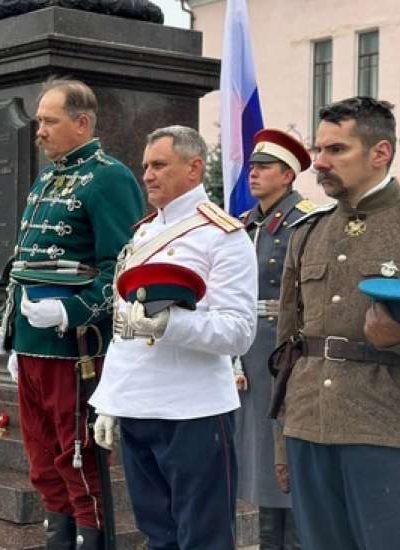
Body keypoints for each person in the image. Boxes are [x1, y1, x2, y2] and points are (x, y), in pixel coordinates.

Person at [275, 97, 400, 550]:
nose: (319, 162)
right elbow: (288, 347)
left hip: (388, 424)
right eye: (318, 150)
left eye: (336, 150)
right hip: (307, 424)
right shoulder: (309, 231)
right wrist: (283, 438)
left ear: (379, 153)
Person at [0, 78, 144, 548]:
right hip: (33, 349)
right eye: (39, 120)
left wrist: (69, 310)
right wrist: (13, 333)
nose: (39, 130)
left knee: (77, 461)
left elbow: (122, 268)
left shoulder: (109, 177)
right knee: (42, 462)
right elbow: (24, 264)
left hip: (75, 348)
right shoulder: (48, 177)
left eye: (48, 121)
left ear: (82, 123)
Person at [90, 125, 258, 550]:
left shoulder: (224, 235)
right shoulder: (143, 233)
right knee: (157, 534)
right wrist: (110, 401)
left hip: (193, 410)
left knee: (204, 537)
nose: (147, 174)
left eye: (159, 165)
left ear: (194, 168)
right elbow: (123, 328)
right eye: (146, 165)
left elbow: (238, 332)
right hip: (138, 405)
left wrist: (168, 326)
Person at [234, 129, 313, 550]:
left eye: (264, 168)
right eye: (251, 167)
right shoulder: (248, 223)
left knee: (283, 447)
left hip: (284, 350)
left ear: (288, 175)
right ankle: (269, 540)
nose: (254, 174)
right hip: (248, 348)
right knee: (259, 452)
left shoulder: (305, 220)